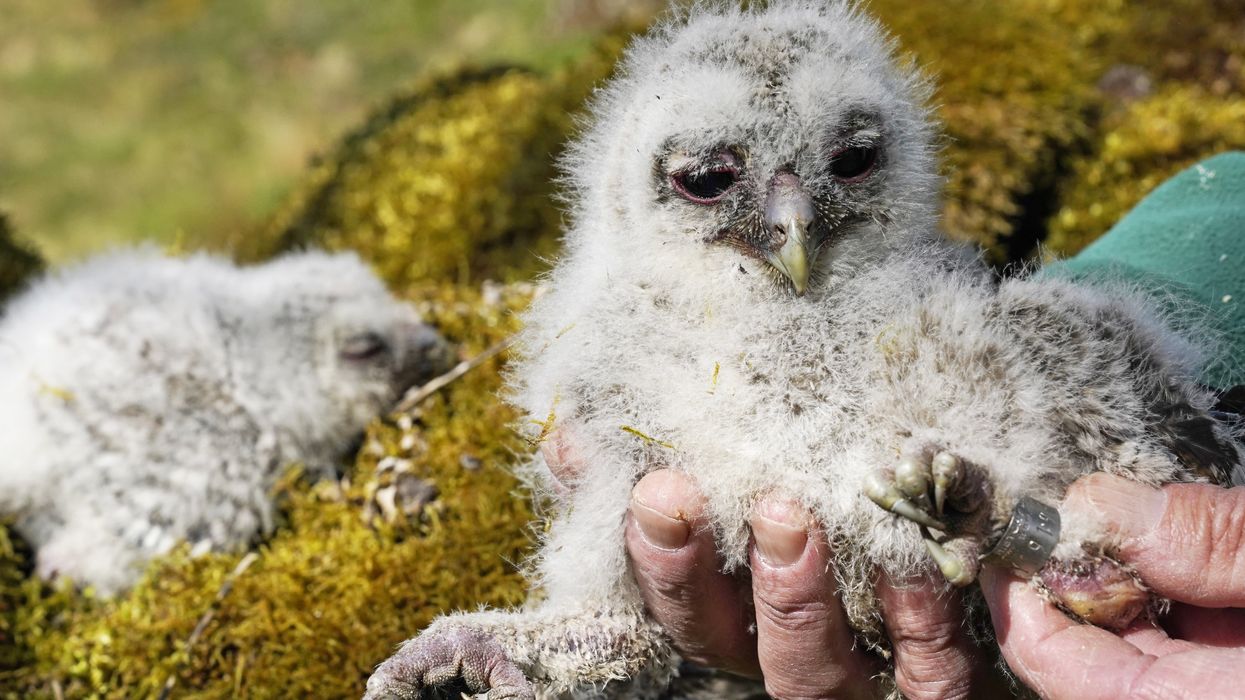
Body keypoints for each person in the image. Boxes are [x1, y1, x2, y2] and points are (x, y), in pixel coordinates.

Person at [549, 153, 1245, 699]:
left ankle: (1036, 546)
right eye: (708, 179)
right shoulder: (625, 340)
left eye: (851, 162)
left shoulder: (955, 326)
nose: (791, 215)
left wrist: (1096, 362)